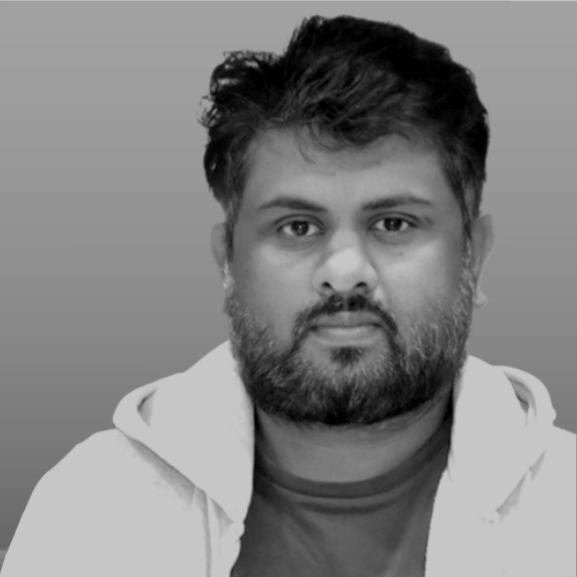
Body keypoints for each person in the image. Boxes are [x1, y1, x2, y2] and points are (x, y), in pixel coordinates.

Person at [1, 14, 575, 577]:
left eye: (394, 223)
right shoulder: (89, 512)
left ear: (474, 255)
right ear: (227, 262)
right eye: (298, 227)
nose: (345, 273)